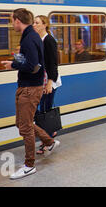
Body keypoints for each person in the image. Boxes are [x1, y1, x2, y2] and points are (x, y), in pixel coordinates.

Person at [1, 8, 59, 180]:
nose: (12, 24)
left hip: (30, 88)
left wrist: (12, 65)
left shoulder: (29, 38)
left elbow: (34, 66)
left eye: (12, 20)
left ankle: (29, 165)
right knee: (21, 123)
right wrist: (15, 61)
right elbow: (31, 60)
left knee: (25, 127)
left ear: (18, 20)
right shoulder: (29, 36)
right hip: (26, 85)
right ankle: (49, 142)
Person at [33, 15, 62, 154]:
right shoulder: (39, 40)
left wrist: (50, 82)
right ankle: (49, 135)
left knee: (45, 111)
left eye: (37, 23)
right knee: (43, 109)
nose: (34, 25)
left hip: (49, 81)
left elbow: (53, 63)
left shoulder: (49, 41)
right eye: (34, 22)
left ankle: (47, 141)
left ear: (45, 25)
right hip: (42, 81)